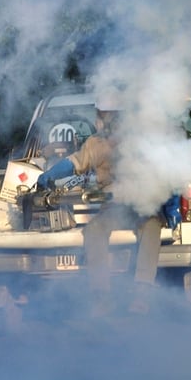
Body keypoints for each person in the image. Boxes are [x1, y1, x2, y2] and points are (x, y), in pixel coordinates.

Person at [36, 101, 164, 316]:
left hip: (143, 207)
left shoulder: (144, 142)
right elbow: (74, 163)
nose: (104, 123)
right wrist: (49, 175)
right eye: (104, 118)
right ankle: (101, 297)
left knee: (151, 227)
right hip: (113, 208)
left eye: (108, 117)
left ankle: (142, 293)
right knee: (94, 230)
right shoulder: (97, 144)